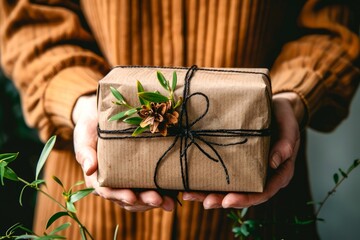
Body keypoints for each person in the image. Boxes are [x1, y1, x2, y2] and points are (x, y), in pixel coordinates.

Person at [0, 0, 359, 239]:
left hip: (259, 196)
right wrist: (82, 101)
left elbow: (335, 23)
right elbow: (31, 21)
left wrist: (290, 98)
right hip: (91, 211)